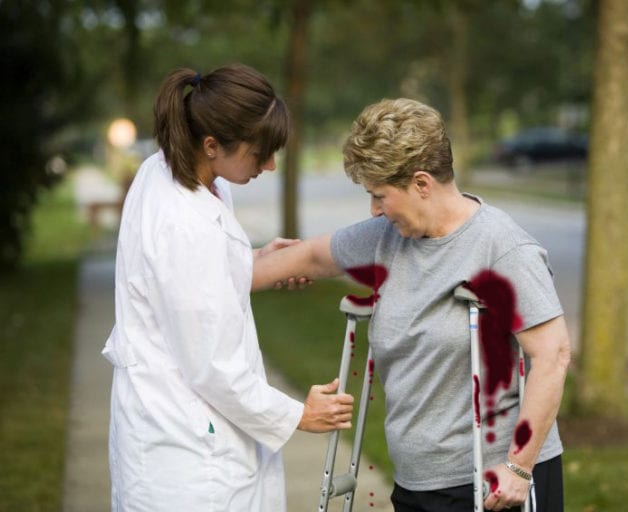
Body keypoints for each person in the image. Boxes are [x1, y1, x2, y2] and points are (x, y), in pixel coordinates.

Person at [251, 98, 572, 512]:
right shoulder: (386, 236)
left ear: (422, 184)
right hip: (417, 483)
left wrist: (520, 467)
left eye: (379, 195)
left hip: (493, 484)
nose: (374, 210)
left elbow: (553, 354)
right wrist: (221, 276)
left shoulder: (503, 249)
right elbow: (310, 257)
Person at [101, 64, 354, 512]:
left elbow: (184, 281)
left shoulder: (169, 171)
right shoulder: (183, 223)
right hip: (186, 456)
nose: (271, 165)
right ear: (212, 144)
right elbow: (212, 366)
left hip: (187, 433)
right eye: (261, 154)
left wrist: (251, 258)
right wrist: (299, 414)